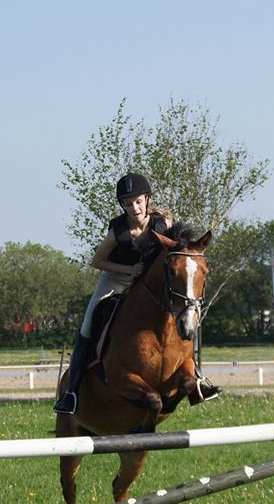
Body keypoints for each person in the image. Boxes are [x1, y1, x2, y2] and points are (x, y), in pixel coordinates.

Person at [53, 173, 220, 414]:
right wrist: (129, 270)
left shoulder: (163, 224)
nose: (135, 208)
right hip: (116, 279)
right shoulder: (118, 231)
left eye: (139, 202)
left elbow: (177, 252)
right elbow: (97, 261)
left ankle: (196, 379)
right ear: (123, 206)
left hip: (149, 282)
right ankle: (72, 392)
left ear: (147, 199)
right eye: (128, 204)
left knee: (177, 316)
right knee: (88, 325)